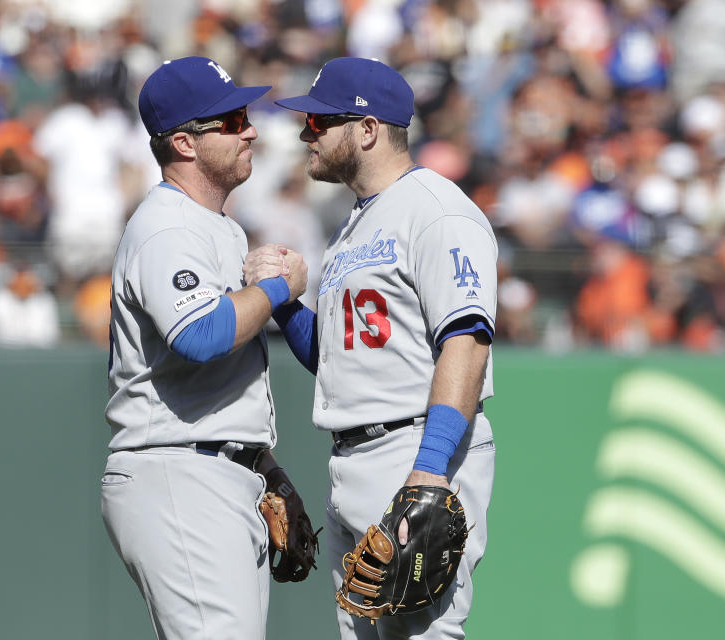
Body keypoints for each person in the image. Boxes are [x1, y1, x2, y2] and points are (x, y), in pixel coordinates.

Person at [248, 57, 499, 639]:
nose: (305, 133)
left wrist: (429, 472)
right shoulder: (354, 227)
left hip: (416, 447)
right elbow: (333, 357)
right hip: (352, 455)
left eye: (319, 123)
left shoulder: (437, 211)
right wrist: (285, 304)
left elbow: (467, 341)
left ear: (366, 130)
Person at [102, 56, 316, 640]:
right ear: (184, 143)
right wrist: (277, 290)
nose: (250, 129)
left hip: (215, 470)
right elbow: (201, 336)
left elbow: (219, 383)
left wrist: (269, 472)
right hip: (178, 472)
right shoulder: (168, 226)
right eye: (231, 120)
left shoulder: (217, 225)